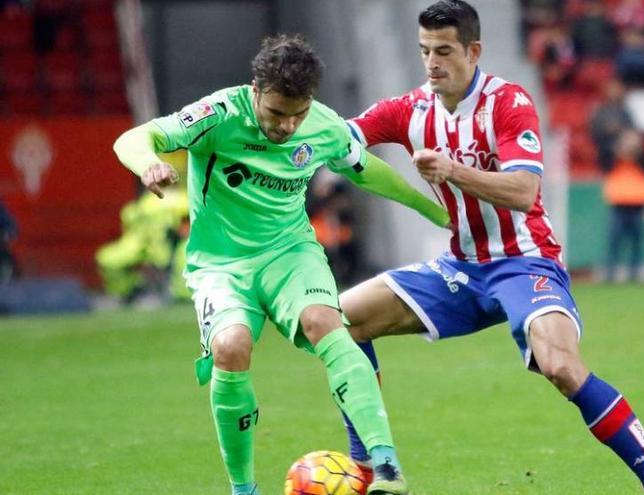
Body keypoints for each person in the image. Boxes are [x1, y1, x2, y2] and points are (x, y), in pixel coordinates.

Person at [340, 2, 644, 494]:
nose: (432, 63)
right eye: (424, 51)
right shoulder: (410, 109)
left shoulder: (508, 102)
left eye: (443, 51)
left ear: (473, 51)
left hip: (525, 261)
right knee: (343, 321)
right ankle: (368, 467)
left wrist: (453, 170)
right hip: (460, 267)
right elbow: (340, 134)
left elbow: (523, 190)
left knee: (561, 366)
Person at [112, 34, 450, 495]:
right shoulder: (219, 114)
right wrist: (148, 163)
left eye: (298, 114)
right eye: (276, 113)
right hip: (222, 266)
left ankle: (387, 467)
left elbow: (365, 168)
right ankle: (243, 489)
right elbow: (136, 136)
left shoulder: (324, 124)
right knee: (231, 347)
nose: (288, 126)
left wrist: (430, 208)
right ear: (256, 90)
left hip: (290, 255)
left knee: (326, 323)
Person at [602, 129, 644, 283]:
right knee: (615, 243)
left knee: (636, 243)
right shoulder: (614, 158)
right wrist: (620, 152)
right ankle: (610, 275)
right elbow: (605, 164)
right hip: (618, 204)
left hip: (638, 204)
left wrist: (636, 154)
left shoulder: (643, 158)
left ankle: (634, 274)